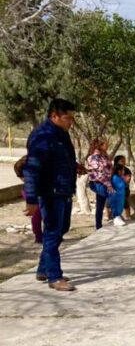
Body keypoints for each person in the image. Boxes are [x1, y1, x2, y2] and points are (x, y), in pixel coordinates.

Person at [23, 99, 80, 291]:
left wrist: (75, 167)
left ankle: (43, 269)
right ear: (54, 116)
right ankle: (55, 277)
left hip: (63, 190)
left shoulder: (61, 134)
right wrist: (31, 199)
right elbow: (31, 169)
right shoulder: (43, 136)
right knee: (53, 232)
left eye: (72, 118)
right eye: (67, 118)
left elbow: (59, 160)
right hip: (50, 192)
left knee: (61, 229)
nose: (70, 122)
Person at [14, 156, 43, 243]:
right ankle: (38, 236)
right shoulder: (24, 167)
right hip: (30, 192)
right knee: (37, 214)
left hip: (41, 190)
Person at [86, 138, 113, 230]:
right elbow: (99, 174)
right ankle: (114, 217)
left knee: (100, 205)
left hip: (105, 183)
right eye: (105, 144)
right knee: (113, 196)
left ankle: (99, 225)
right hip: (99, 183)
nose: (107, 146)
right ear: (100, 146)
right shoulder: (94, 158)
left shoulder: (103, 156)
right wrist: (108, 185)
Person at [113, 155, 132, 219]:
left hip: (124, 190)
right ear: (117, 161)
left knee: (125, 203)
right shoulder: (112, 169)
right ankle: (109, 216)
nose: (124, 162)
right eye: (122, 161)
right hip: (114, 190)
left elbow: (128, 180)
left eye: (124, 160)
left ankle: (128, 216)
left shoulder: (127, 170)